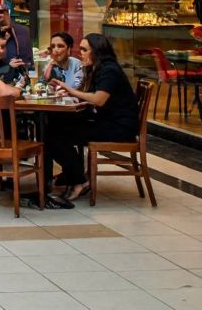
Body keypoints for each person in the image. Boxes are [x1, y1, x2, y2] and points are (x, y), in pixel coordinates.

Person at [47, 34, 140, 200]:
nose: (80, 53)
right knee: (54, 125)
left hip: (118, 128)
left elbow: (99, 99)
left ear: (96, 51)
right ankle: (72, 175)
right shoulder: (100, 68)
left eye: (84, 50)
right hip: (108, 121)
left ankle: (78, 180)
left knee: (55, 136)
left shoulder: (109, 70)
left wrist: (70, 90)